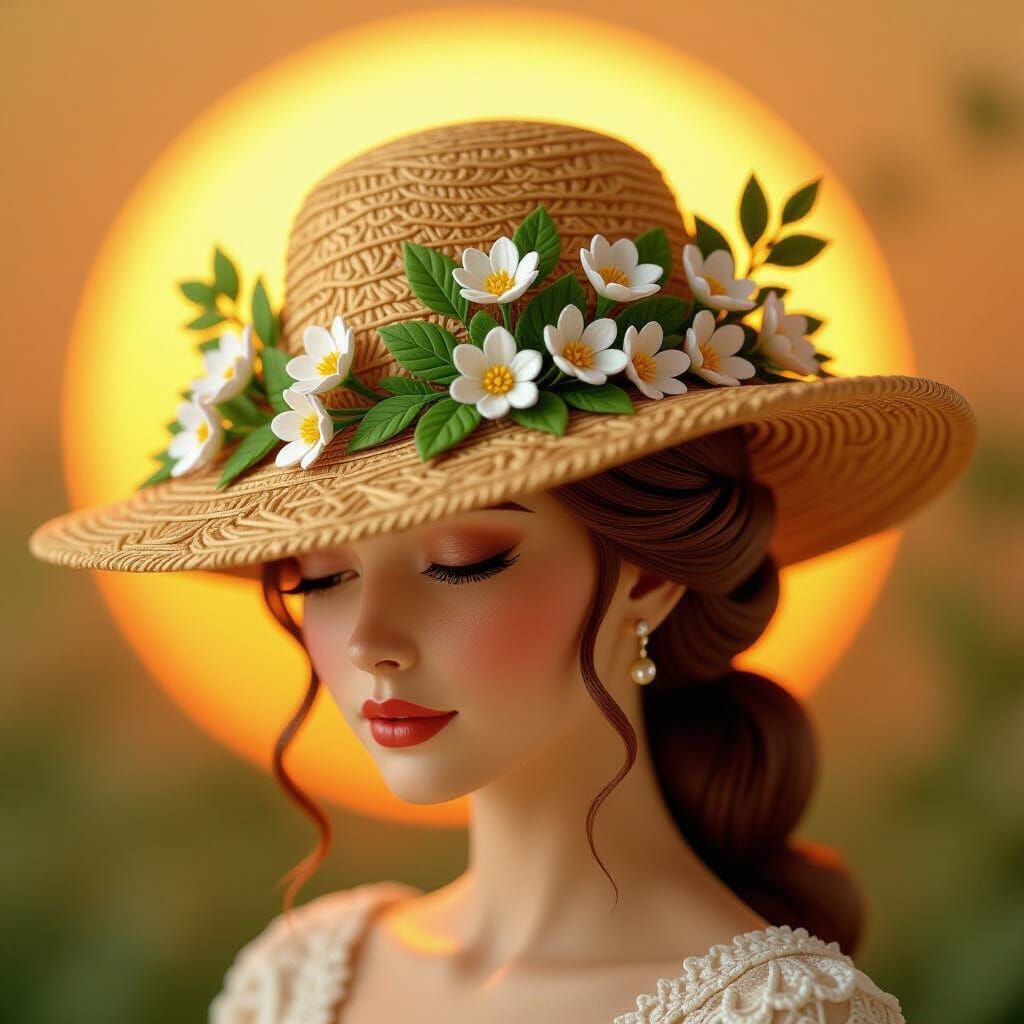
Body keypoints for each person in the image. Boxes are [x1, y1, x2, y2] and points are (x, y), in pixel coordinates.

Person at [29, 118, 977, 1022]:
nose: (371, 644)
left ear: (650, 571)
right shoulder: (299, 978)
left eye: (459, 562)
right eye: (319, 577)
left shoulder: (782, 1015)